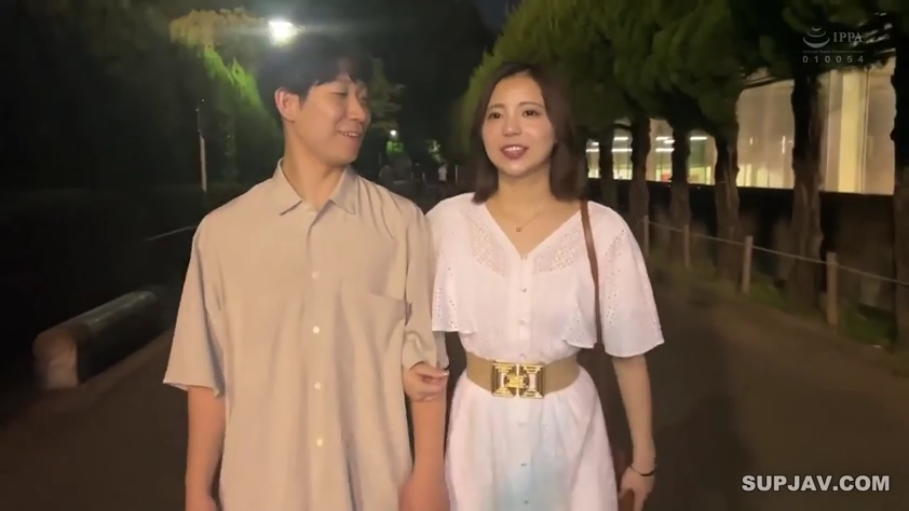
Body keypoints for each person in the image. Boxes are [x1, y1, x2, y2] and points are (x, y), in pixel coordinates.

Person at [163, 34, 449, 511]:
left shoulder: (401, 226)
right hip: (260, 493)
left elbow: (428, 367)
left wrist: (429, 476)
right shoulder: (222, 235)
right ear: (287, 103)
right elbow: (207, 379)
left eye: (363, 98)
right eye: (340, 95)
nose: (359, 113)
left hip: (372, 490)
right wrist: (197, 490)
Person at [425, 61, 663, 510]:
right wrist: (424, 465)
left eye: (530, 112)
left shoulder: (603, 231)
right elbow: (424, 348)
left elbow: (629, 355)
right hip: (477, 434)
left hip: (570, 435)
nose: (510, 128)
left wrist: (643, 460)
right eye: (495, 114)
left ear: (558, 128)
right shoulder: (447, 223)